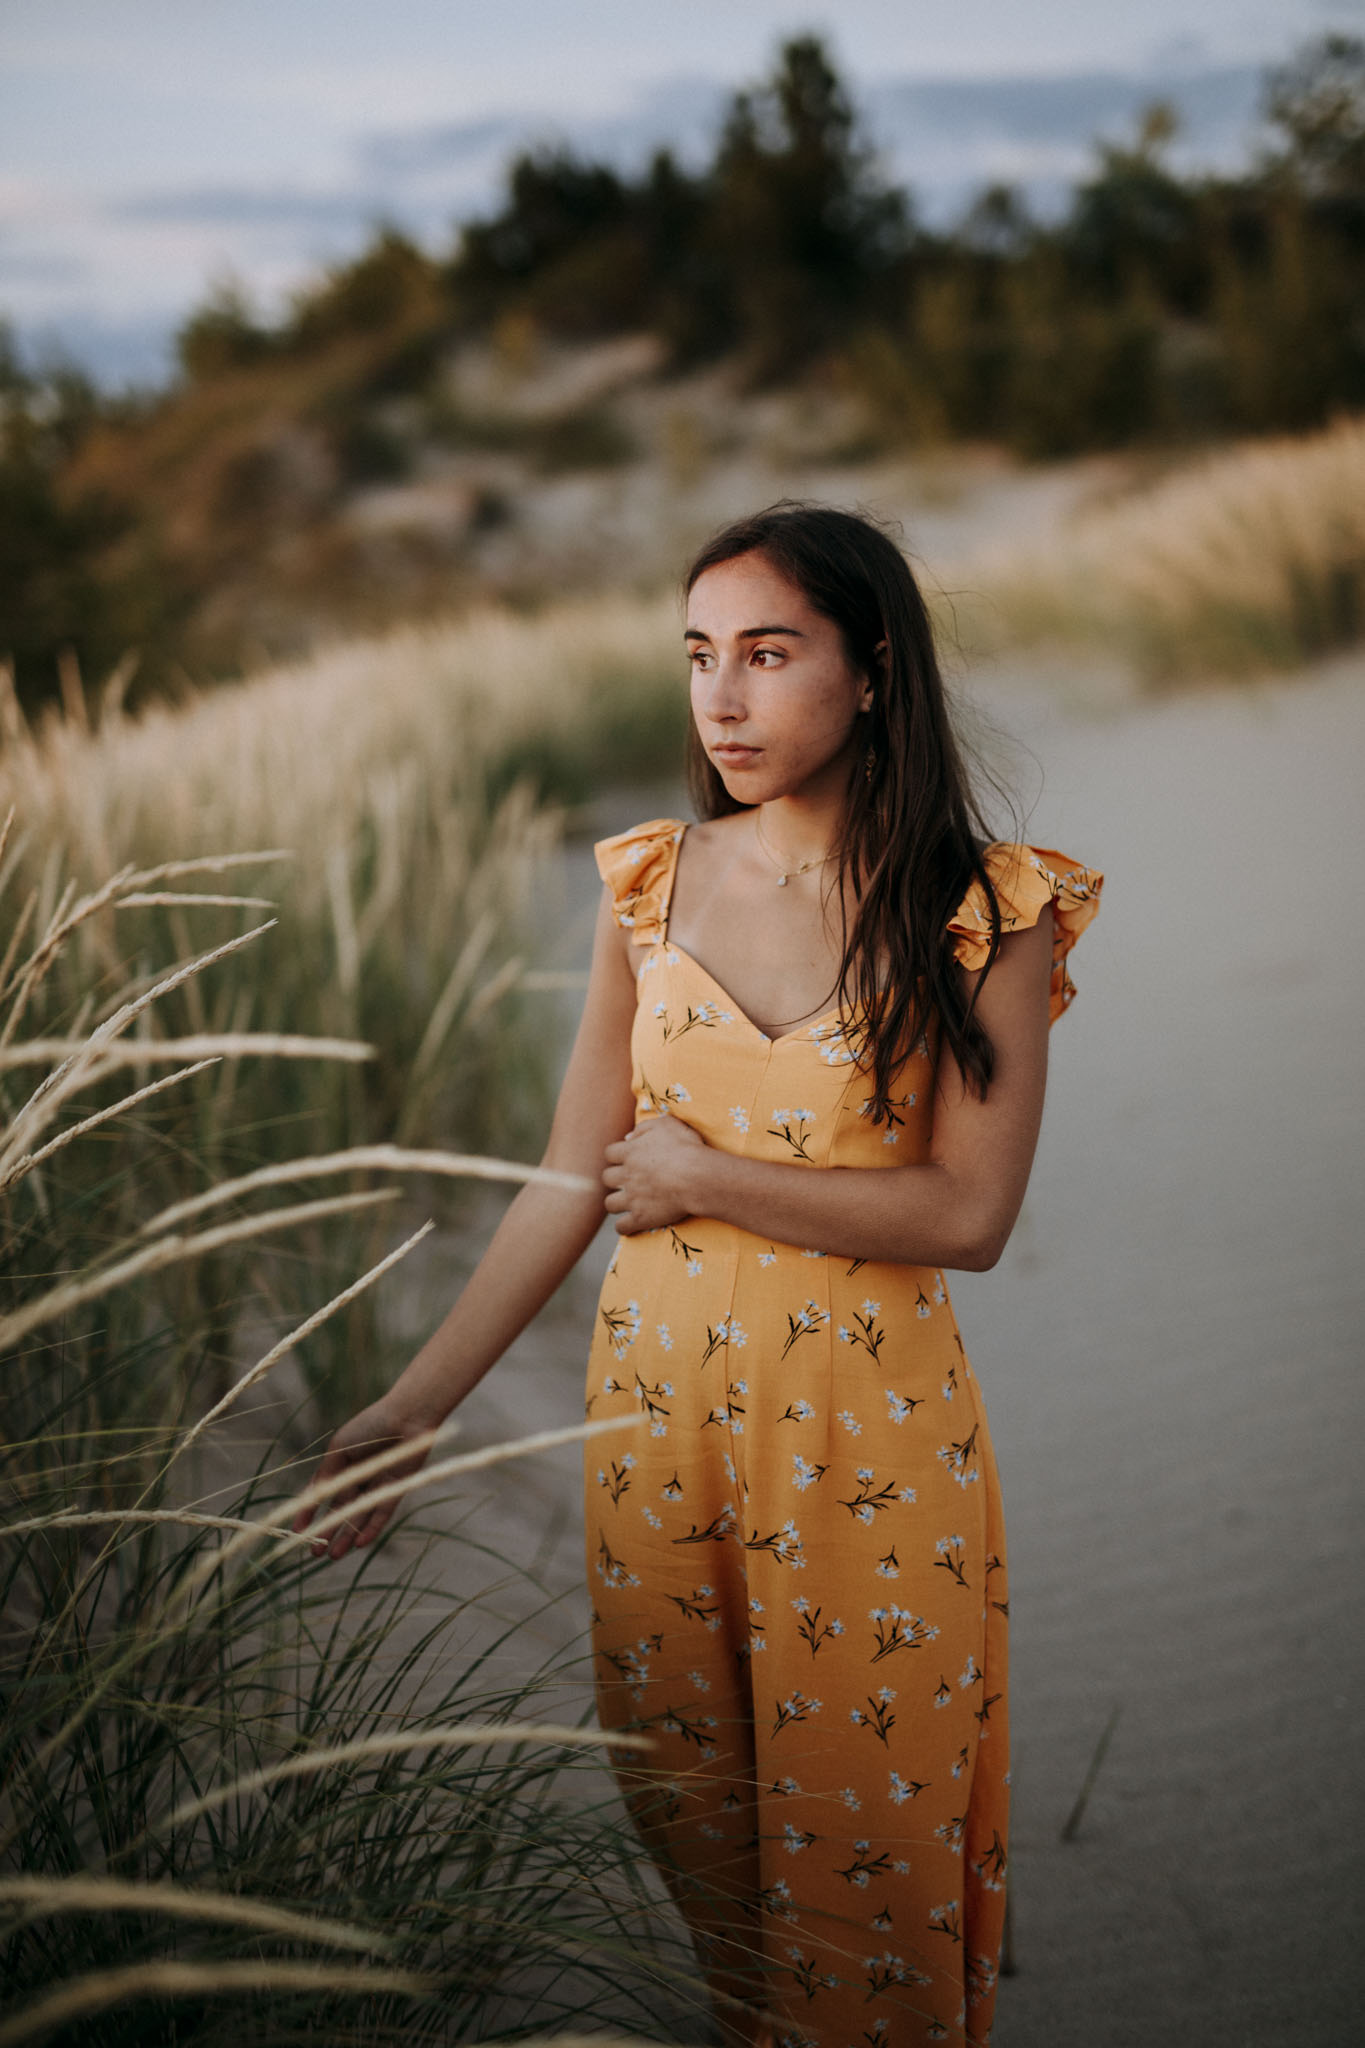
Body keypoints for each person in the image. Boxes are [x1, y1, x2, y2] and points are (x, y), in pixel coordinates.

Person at [293, 503, 1102, 2048]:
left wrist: (703, 1178)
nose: (721, 700)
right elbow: (561, 1176)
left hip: (864, 1451)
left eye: (767, 654)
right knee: (699, 1834)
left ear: (871, 674)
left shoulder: (987, 908)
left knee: (868, 1858)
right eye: (697, 659)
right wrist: (411, 1408)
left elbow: (967, 1215)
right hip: (650, 1437)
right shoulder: (648, 886)